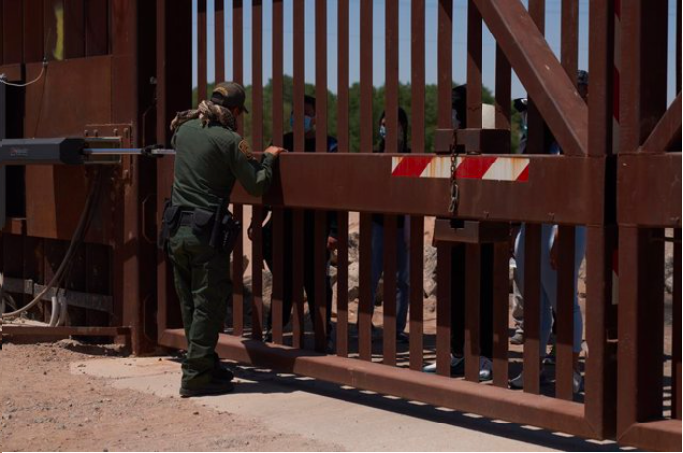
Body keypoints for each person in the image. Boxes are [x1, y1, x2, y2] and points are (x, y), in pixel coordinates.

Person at [166, 82, 285, 397]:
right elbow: (257, 184)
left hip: (176, 230)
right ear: (234, 112)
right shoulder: (232, 140)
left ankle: (203, 364)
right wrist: (270, 158)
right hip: (205, 235)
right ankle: (195, 377)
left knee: (190, 303)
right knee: (207, 304)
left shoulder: (185, 129)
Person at [509, 70, 589, 393]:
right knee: (535, 302)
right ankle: (533, 369)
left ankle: (571, 371)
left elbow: (576, 190)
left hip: (562, 228)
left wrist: (560, 232)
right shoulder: (542, 133)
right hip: (534, 225)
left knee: (563, 300)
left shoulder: (582, 133)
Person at [253, 95, 338, 349]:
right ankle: (275, 331)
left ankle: (323, 333)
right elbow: (267, 183)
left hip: (316, 227)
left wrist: (333, 230)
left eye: (306, 113)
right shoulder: (281, 143)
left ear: (316, 117)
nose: (298, 117)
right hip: (284, 226)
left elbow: (335, 190)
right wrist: (257, 221)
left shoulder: (330, 145)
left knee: (317, 283)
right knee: (283, 281)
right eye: (295, 113)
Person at [423, 85, 494, 381]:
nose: (450, 116)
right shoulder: (447, 145)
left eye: (454, 109)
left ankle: (486, 354)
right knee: (454, 292)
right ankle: (457, 353)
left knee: (483, 293)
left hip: (482, 229)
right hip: (453, 228)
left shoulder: (485, 143)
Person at [371, 108, 411, 342]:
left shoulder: (410, 155)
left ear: (403, 128)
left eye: (393, 124)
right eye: (383, 124)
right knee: (371, 276)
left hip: (401, 225)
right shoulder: (375, 155)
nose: (386, 129)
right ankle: (364, 325)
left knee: (401, 281)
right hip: (376, 223)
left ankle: (395, 329)